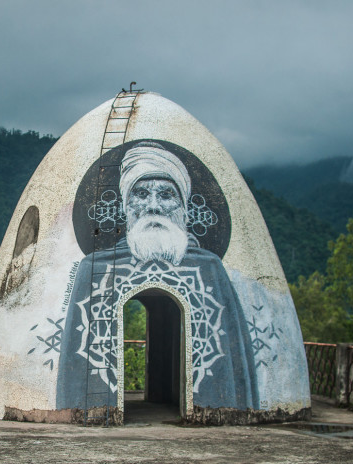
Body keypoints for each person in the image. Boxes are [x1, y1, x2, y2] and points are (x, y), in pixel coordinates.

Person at [56, 141, 259, 411]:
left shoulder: (210, 269)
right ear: (125, 206)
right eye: (140, 194)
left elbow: (231, 362)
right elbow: (76, 359)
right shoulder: (94, 268)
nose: (153, 206)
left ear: (184, 207)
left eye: (166, 195)